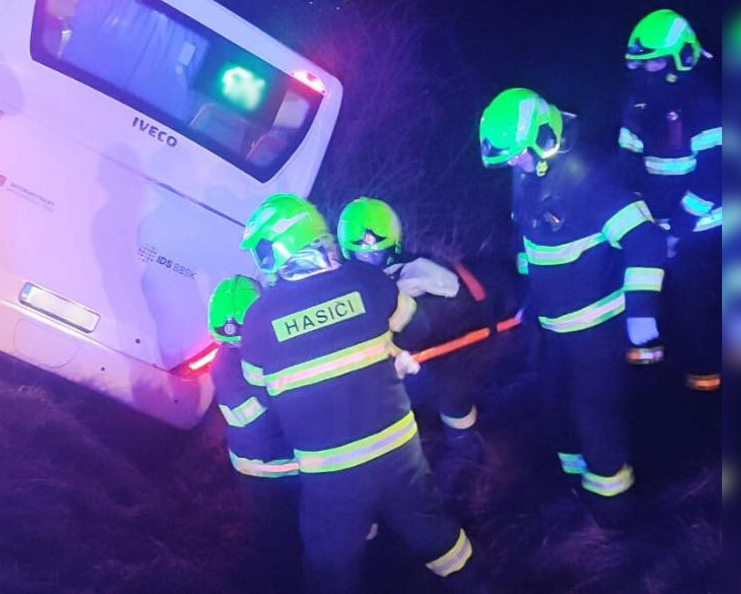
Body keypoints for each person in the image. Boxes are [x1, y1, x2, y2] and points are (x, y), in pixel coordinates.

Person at [237, 193, 484, 593]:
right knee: (437, 535)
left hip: (331, 474)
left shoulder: (258, 320)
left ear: (281, 247)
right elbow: (416, 327)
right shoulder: (367, 281)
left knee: (330, 566)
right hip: (399, 454)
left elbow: (261, 391)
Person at [479, 88, 667, 511]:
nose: (512, 162)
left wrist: (641, 312)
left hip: (596, 331)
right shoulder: (526, 175)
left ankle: (612, 517)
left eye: (518, 154)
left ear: (546, 137)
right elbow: (532, 245)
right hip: (553, 328)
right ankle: (573, 491)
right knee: (554, 407)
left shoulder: (589, 180)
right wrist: (531, 299)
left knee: (595, 415)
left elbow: (646, 241)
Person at [336, 197, 521, 452]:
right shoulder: (342, 286)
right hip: (402, 372)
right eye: (362, 254)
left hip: (439, 361)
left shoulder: (417, 273)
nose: (370, 259)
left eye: (377, 253)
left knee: (449, 386)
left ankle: (467, 453)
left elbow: (430, 320)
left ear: (393, 246)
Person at [618, 9, 722, 389]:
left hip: (702, 231)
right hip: (655, 228)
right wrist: (637, 223)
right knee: (662, 311)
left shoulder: (703, 102)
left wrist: (678, 230)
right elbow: (626, 163)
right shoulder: (638, 101)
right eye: (641, 64)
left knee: (698, 314)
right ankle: (661, 389)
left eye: (656, 62)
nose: (648, 71)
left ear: (683, 58)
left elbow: (715, 177)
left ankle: (707, 389)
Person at [207, 274, 301, 591]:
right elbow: (266, 419)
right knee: (288, 547)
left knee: (272, 544)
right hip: (282, 472)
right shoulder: (245, 361)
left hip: (254, 474)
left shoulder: (222, 362)